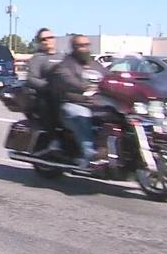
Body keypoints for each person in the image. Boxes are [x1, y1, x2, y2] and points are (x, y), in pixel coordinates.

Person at [49, 34, 108, 167]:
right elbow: (67, 79)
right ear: (74, 47)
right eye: (80, 46)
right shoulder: (66, 65)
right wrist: (84, 87)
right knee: (82, 115)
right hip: (71, 105)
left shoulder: (95, 65)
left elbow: (109, 78)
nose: (85, 48)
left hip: (95, 104)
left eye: (87, 45)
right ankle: (90, 154)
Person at [25, 28, 63, 124]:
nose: (47, 41)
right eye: (43, 39)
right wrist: (49, 87)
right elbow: (31, 78)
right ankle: (54, 137)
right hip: (48, 95)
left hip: (67, 93)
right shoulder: (38, 58)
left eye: (50, 37)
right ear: (39, 42)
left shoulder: (63, 56)